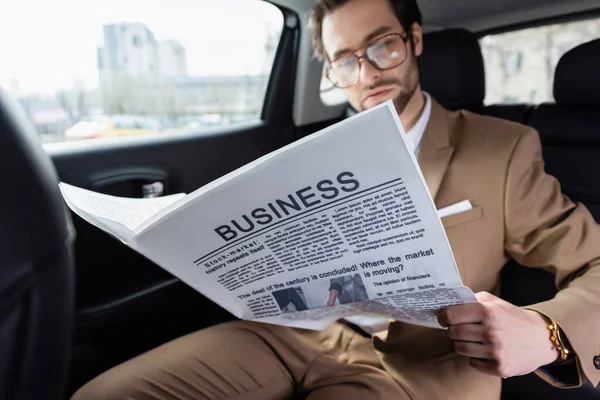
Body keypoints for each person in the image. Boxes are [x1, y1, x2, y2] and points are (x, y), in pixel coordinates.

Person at [72, 0, 600, 398]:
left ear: (414, 39)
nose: (367, 72)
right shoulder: (305, 153)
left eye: (382, 46)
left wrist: (548, 331)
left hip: (419, 366)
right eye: (345, 60)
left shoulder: (503, 148)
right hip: (294, 334)